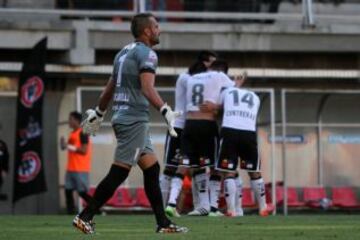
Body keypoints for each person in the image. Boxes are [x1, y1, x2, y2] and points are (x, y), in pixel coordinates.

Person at [72, 13, 188, 234]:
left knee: (152, 168)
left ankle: (163, 223)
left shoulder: (123, 52)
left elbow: (110, 87)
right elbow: (147, 88)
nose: (159, 29)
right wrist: (165, 110)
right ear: (146, 31)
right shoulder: (148, 54)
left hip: (124, 117)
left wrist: (99, 111)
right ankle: (84, 216)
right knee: (120, 172)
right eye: (156, 26)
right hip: (134, 119)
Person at [165, 60, 234, 217]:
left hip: (189, 125)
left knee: (184, 166)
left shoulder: (190, 79)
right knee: (215, 166)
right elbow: (233, 91)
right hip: (206, 124)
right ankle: (213, 208)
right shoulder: (218, 75)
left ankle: (171, 203)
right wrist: (217, 106)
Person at [208, 73, 274, 216]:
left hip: (230, 131)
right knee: (254, 171)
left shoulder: (226, 92)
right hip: (248, 132)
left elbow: (218, 108)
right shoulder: (255, 97)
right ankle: (263, 207)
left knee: (228, 171)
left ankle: (231, 210)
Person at [160, 51, 217, 209]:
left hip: (193, 127)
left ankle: (201, 207)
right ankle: (160, 207)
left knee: (198, 166)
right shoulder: (186, 78)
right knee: (171, 167)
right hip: (179, 125)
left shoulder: (198, 78)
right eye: (211, 64)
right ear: (203, 63)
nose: (213, 69)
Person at [60, 111, 93, 214]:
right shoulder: (72, 134)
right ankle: (70, 213)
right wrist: (63, 144)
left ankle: (96, 207)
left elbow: (84, 150)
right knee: (68, 190)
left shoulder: (83, 132)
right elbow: (66, 148)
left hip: (81, 168)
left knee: (82, 192)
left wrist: (67, 146)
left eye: (71, 119)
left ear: (76, 120)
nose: (69, 121)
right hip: (71, 168)